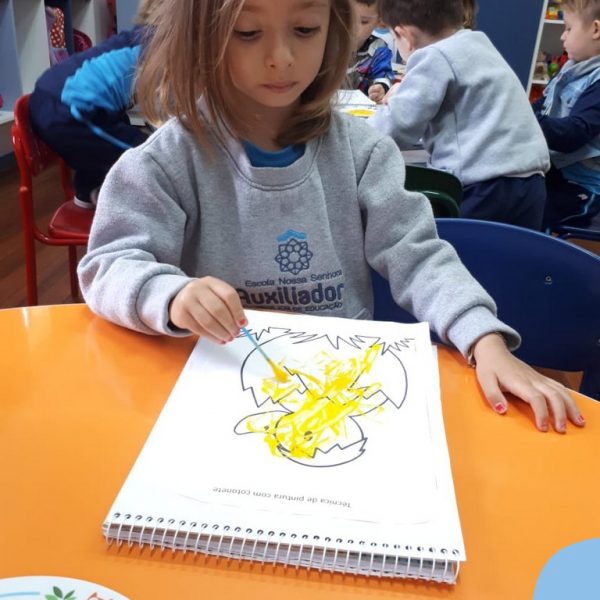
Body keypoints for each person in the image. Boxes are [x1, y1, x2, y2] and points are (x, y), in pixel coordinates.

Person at [77, 0, 584, 434]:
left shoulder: (363, 152)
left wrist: (483, 337)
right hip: (219, 391)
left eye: (305, 29)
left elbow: (418, 256)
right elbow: (108, 264)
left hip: (340, 393)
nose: (281, 57)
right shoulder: (167, 160)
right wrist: (170, 294)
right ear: (202, 38)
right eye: (247, 33)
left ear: (334, 29)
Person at [368, 0, 551, 230]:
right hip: (531, 182)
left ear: (405, 35)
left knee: (456, 246)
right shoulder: (478, 43)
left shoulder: (433, 56)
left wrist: (359, 132)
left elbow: (398, 125)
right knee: (514, 249)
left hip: (483, 185)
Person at [28, 0, 160, 208]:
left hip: (55, 95)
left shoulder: (138, 38)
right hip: (66, 106)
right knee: (147, 152)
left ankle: (88, 192)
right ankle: (107, 198)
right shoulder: (156, 46)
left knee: (118, 133)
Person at [532, 0, 600, 230]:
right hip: (554, 172)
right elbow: (543, 104)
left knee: (544, 224)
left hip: (581, 186)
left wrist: (530, 122)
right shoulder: (571, 68)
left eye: (568, 28)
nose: (563, 36)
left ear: (596, 30)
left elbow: (574, 133)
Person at [346, 0, 395, 102]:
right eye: (347, 18)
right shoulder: (326, 45)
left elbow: (383, 77)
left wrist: (380, 88)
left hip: (361, 108)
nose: (353, 27)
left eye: (363, 21)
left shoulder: (379, 49)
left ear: (379, 22)